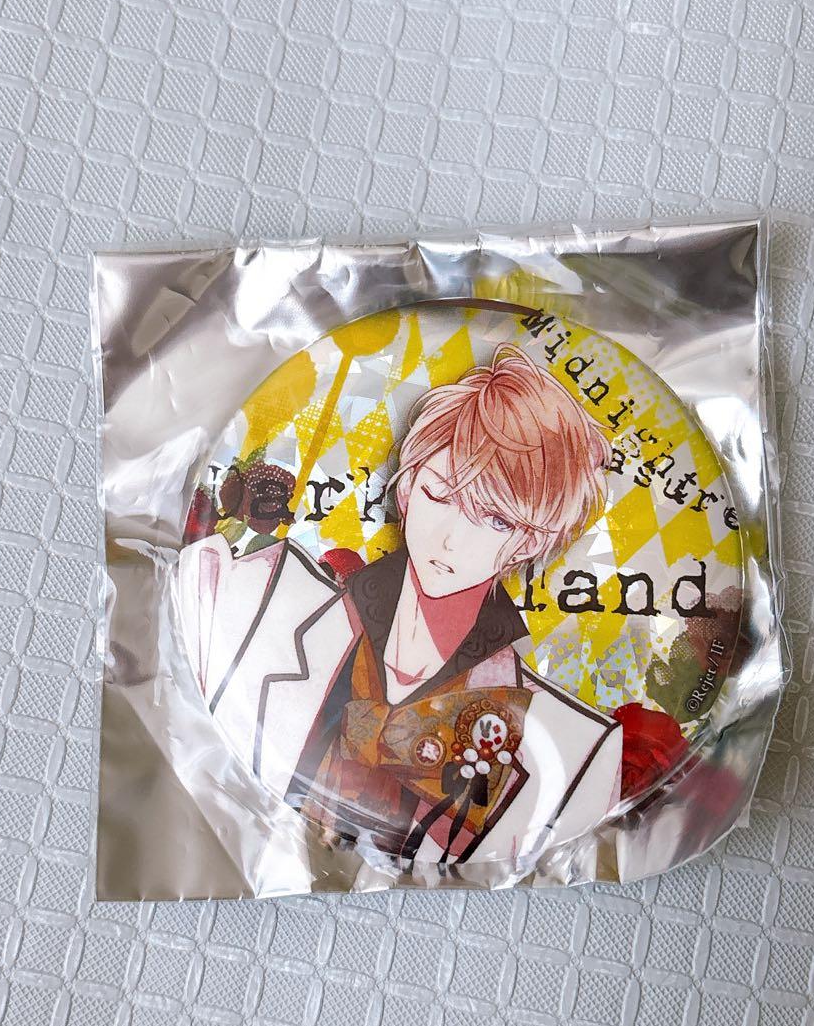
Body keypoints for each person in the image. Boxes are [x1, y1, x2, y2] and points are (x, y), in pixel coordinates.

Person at [176, 345, 622, 866]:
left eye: (496, 520)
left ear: (529, 541)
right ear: (407, 487)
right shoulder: (257, 597)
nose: (451, 538)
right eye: (440, 496)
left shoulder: (580, 755)